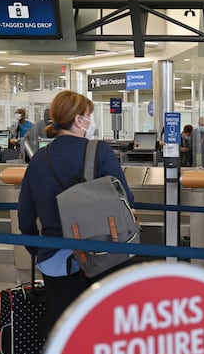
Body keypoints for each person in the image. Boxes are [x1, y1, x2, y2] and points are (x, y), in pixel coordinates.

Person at [17, 91, 135, 328]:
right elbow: (127, 199)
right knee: (102, 326)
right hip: (102, 256)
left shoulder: (39, 158)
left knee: (64, 329)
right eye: (89, 116)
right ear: (79, 120)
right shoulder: (99, 151)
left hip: (55, 261)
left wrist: (40, 251)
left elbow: (25, 218)